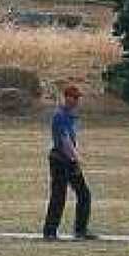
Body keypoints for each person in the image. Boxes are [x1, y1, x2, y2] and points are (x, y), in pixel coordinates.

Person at [42, 85, 97, 241]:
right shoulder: (60, 115)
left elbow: (71, 138)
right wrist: (75, 158)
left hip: (69, 159)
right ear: (66, 97)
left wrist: (74, 158)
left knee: (84, 194)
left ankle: (80, 230)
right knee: (59, 196)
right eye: (74, 98)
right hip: (60, 159)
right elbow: (64, 140)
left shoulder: (71, 115)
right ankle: (50, 232)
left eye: (78, 98)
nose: (77, 101)